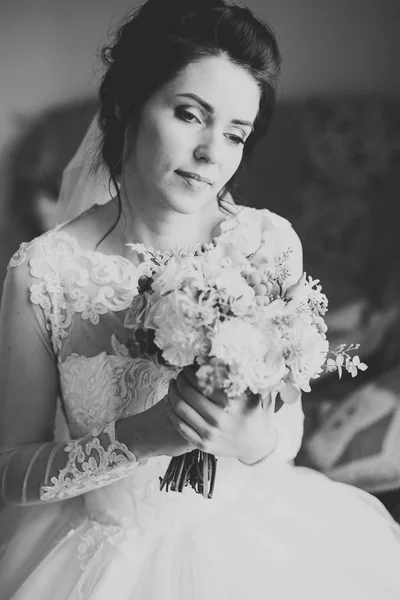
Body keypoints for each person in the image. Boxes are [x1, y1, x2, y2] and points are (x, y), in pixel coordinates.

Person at [0, 0, 400, 598]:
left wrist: (256, 441)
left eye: (236, 134)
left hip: (262, 545)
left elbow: (285, 422)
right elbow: (9, 471)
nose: (214, 153)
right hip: (102, 560)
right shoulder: (45, 273)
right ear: (127, 104)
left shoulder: (266, 244)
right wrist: (135, 440)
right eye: (191, 114)